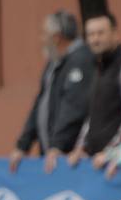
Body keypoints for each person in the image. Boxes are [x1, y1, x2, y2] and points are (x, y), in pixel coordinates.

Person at [10, 10, 94, 173]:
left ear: (56, 37)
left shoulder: (81, 60)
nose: (42, 39)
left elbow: (74, 108)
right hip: (51, 155)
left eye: (44, 34)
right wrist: (23, 145)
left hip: (70, 161)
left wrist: (58, 146)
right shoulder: (53, 63)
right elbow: (39, 105)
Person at [68, 12, 121, 168]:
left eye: (100, 33)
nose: (95, 39)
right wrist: (80, 147)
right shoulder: (97, 68)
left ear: (115, 34)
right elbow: (94, 114)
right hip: (97, 161)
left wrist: (111, 151)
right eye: (90, 34)